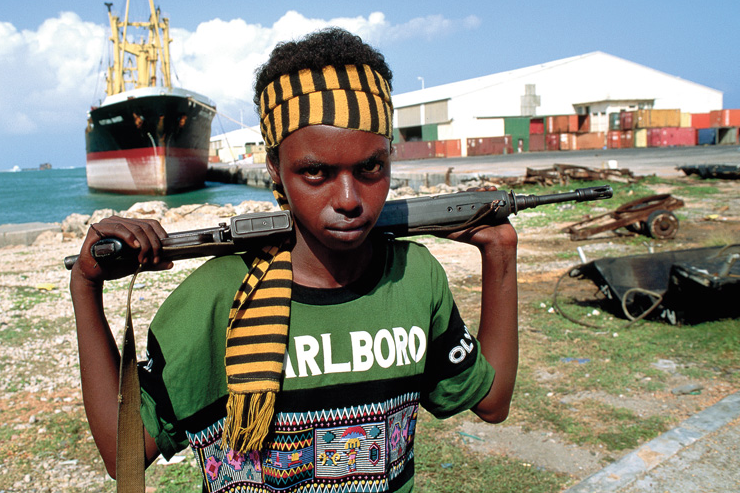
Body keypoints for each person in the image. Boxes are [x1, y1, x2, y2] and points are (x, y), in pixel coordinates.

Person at [70, 27, 518, 492]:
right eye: (315, 172)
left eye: (370, 167)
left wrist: (501, 255)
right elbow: (122, 451)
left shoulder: (414, 278)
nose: (349, 200)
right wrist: (85, 286)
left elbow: (492, 403)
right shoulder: (216, 298)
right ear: (274, 168)